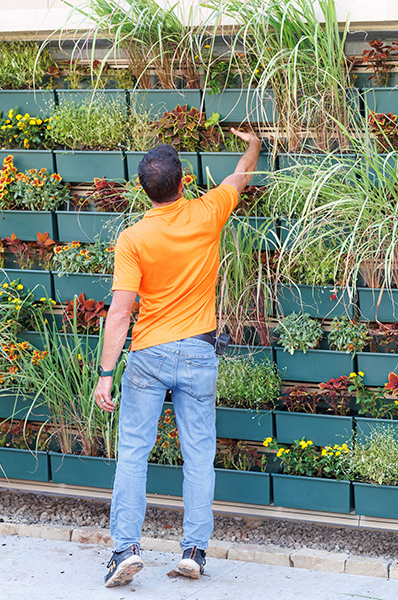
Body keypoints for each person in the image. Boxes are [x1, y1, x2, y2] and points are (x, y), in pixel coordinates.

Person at [93, 129, 261, 588]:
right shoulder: (208, 213)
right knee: (199, 457)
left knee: (133, 454)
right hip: (198, 352)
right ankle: (193, 552)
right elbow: (240, 175)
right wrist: (254, 145)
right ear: (184, 183)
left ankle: (124, 551)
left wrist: (106, 374)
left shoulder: (133, 238)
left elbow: (122, 311)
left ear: (143, 189)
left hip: (148, 354)